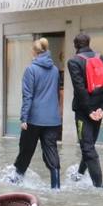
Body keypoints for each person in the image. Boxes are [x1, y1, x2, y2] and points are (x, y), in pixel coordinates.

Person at [9, 38, 63, 189]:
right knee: (51, 151)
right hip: (52, 120)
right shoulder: (54, 70)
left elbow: (28, 96)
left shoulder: (31, 69)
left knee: (26, 150)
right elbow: (57, 94)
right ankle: (56, 187)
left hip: (33, 119)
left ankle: (16, 182)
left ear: (34, 52)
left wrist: (24, 117)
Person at [66, 32, 103, 188]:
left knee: (87, 147)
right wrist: (102, 108)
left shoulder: (73, 62)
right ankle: (79, 174)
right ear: (89, 42)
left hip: (83, 112)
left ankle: (99, 186)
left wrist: (88, 111)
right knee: (90, 145)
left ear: (75, 45)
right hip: (98, 111)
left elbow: (79, 89)